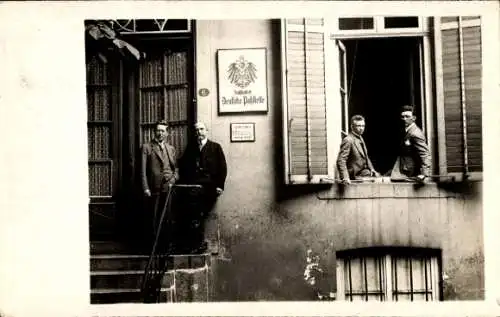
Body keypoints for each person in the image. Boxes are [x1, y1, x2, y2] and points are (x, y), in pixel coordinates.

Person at [177, 122, 227, 253]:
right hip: (194, 188)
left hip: (209, 188)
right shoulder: (191, 148)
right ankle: (196, 244)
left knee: (199, 213)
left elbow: (223, 168)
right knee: (193, 213)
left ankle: (197, 244)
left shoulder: (215, 147)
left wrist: (220, 186)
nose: (199, 132)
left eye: (201, 129)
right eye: (196, 130)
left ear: (207, 130)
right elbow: (184, 166)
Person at [140, 120, 179, 250]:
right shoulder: (147, 147)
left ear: (167, 133)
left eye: (163, 131)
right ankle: (153, 247)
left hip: (168, 187)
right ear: (154, 132)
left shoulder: (171, 148)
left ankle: (165, 246)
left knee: (167, 217)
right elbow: (142, 170)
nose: (160, 133)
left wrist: (173, 180)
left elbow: (176, 169)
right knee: (154, 217)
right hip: (153, 187)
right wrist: (145, 187)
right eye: (158, 130)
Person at [390, 105, 431, 182]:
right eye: (402, 117)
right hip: (401, 167)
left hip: (409, 171)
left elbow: (425, 153)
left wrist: (424, 173)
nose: (404, 119)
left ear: (414, 118)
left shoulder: (415, 133)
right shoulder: (405, 130)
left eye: (407, 116)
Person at [336, 115, 379, 184]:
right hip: (354, 176)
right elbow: (341, 160)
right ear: (352, 127)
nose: (361, 128)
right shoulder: (348, 140)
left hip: (364, 173)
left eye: (363, 126)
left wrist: (372, 169)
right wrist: (345, 177)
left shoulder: (360, 138)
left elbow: (366, 156)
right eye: (358, 126)